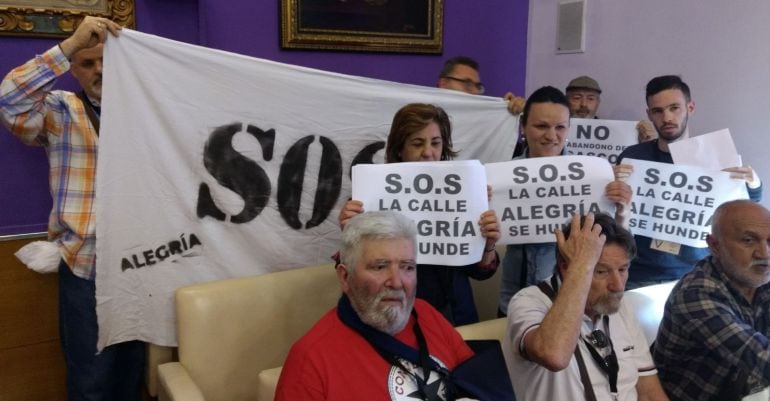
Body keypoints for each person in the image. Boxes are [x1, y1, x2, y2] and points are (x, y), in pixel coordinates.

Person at [0, 17, 146, 401]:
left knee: (133, 373)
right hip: (88, 265)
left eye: (105, 62)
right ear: (74, 70)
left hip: (141, 265)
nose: (99, 70)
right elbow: (10, 100)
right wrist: (68, 47)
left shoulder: (148, 113)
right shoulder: (60, 110)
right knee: (92, 380)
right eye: (87, 63)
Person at [276, 211, 476, 400]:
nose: (397, 282)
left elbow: (474, 381)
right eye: (380, 267)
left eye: (407, 267)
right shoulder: (310, 360)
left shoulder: (425, 313)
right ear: (345, 277)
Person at [339, 103, 501, 326]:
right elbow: (352, 272)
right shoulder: (369, 196)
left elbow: (480, 272)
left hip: (455, 317)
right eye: (417, 143)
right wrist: (350, 235)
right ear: (399, 149)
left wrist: (488, 243)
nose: (428, 152)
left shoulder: (464, 190)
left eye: (436, 143)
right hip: (394, 318)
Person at [504, 212, 669, 401]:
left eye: (623, 269)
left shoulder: (620, 306)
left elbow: (648, 393)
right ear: (567, 267)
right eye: (600, 271)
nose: (617, 285)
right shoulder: (528, 300)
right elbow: (554, 356)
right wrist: (582, 265)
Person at [617, 75, 763, 289]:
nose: (667, 117)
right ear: (649, 114)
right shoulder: (633, 157)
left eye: (674, 108)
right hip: (638, 272)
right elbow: (615, 216)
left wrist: (753, 183)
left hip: (697, 273)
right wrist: (609, 185)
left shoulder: (716, 156)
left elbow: (746, 205)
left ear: (690, 107)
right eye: (658, 111)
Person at [498, 86, 632, 316]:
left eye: (560, 127)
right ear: (523, 127)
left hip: (572, 300)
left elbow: (614, 246)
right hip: (513, 297)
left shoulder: (593, 177)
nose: (551, 136)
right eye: (541, 126)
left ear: (569, 128)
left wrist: (622, 211)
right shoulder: (500, 173)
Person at [653, 200, 770, 401]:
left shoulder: (759, 277)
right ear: (714, 245)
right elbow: (759, 357)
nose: (764, 253)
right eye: (748, 240)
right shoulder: (695, 294)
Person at [566, 75, 657, 143]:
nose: (584, 104)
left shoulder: (611, 132)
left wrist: (642, 141)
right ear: (566, 100)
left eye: (590, 98)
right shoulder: (555, 129)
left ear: (598, 103)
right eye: (577, 98)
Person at [437, 55, 526, 115]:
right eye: (467, 84)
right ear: (443, 84)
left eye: (478, 87)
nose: (476, 92)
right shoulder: (424, 118)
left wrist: (522, 112)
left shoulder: (486, 120)